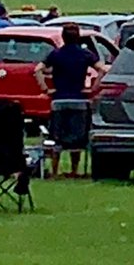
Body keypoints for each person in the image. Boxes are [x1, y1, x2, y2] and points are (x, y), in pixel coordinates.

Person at [34, 23, 100, 178]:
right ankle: (75, 170)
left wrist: (45, 89)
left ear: (63, 37)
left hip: (59, 99)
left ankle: (55, 170)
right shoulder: (85, 54)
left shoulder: (56, 54)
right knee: (78, 138)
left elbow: (37, 70)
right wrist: (93, 88)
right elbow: (103, 69)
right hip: (79, 100)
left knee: (57, 137)